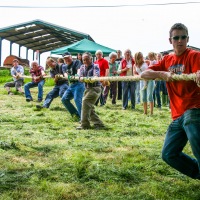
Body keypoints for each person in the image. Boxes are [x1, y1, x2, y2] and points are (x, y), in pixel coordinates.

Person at [141, 23, 200, 180]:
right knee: (168, 154)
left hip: (195, 109)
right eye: (176, 37)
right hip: (177, 115)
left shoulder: (194, 56)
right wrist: (162, 73)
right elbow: (143, 74)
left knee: (196, 138)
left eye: (183, 37)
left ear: (187, 39)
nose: (180, 40)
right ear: (170, 40)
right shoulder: (167, 59)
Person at [76, 52, 105, 130]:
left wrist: (92, 78)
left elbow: (96, 75)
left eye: (86, 59)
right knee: (88, 107)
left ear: (91, 59)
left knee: (85, 102)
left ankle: (84, 124)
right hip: (87, 88)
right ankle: (99, 123)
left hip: (96, 88)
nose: (85, 61)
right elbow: (80, 76)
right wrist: (81, 78)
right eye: (83, 60)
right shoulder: (82, 67)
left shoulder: (95, 66)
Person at [61, 52, 85, 121]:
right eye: (65, 58)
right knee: (64, 99)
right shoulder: (64, 66)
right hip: (71, 85)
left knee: (77, 99)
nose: (67, 59)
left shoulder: (76, 62)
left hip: (79, 84)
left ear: (71, 57)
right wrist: (68, 77)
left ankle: (83, 118)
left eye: (68, 57)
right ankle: (76, 114)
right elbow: (65, 74)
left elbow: (79, 70)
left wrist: (77, 75)